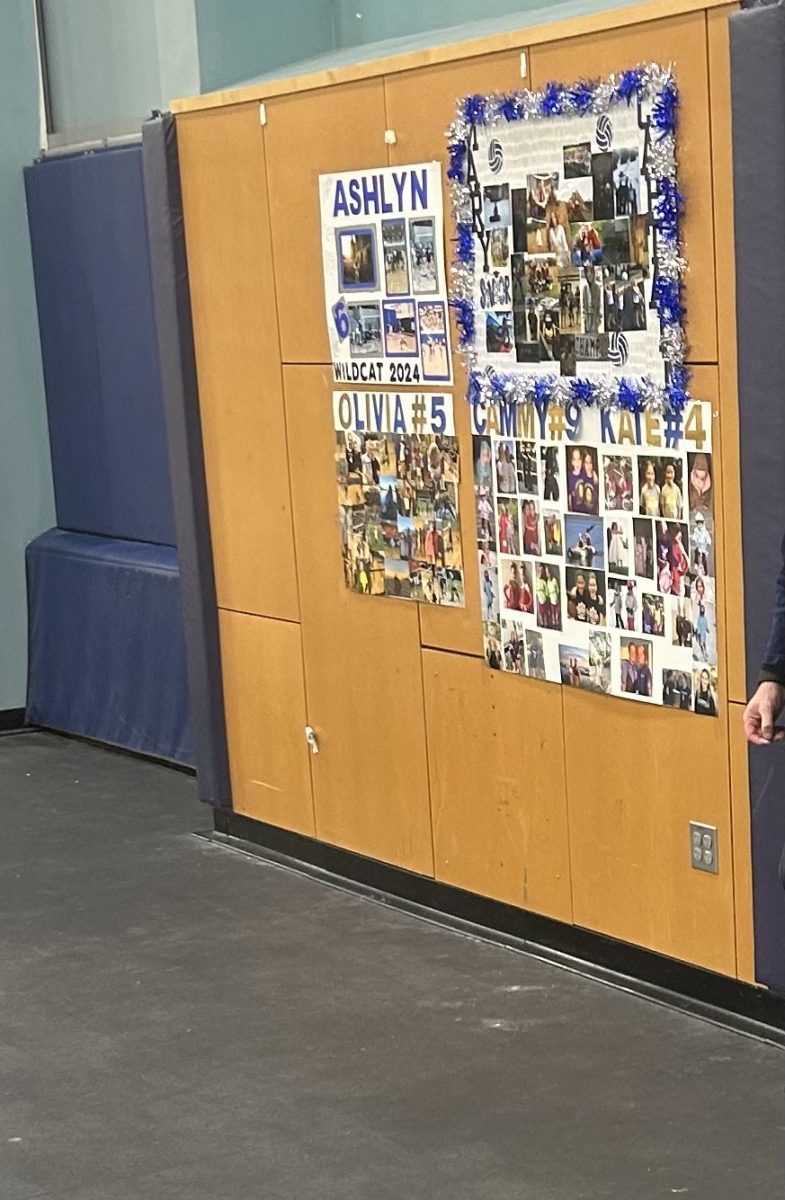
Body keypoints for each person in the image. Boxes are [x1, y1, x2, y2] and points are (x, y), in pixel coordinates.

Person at [582, 263, 602, 334]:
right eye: (587, 272)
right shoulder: (585, 289)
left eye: (591, 272)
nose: (589, 274)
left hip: (595, 320)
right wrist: (584, 318)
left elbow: (599, 305)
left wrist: (598, 320)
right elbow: (584, 305)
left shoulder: (597, 288)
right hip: (587, 321)